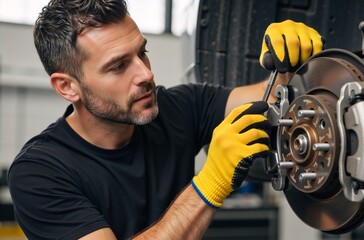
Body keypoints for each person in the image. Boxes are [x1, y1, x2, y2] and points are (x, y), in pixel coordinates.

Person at [7, 0, 323, 239]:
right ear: (67, 87)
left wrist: (288, 65)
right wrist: (209, 185)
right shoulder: (39, 173)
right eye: (118, 66)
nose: (146, 74)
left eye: (141, 53)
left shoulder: (179, 107)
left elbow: (273, 99)